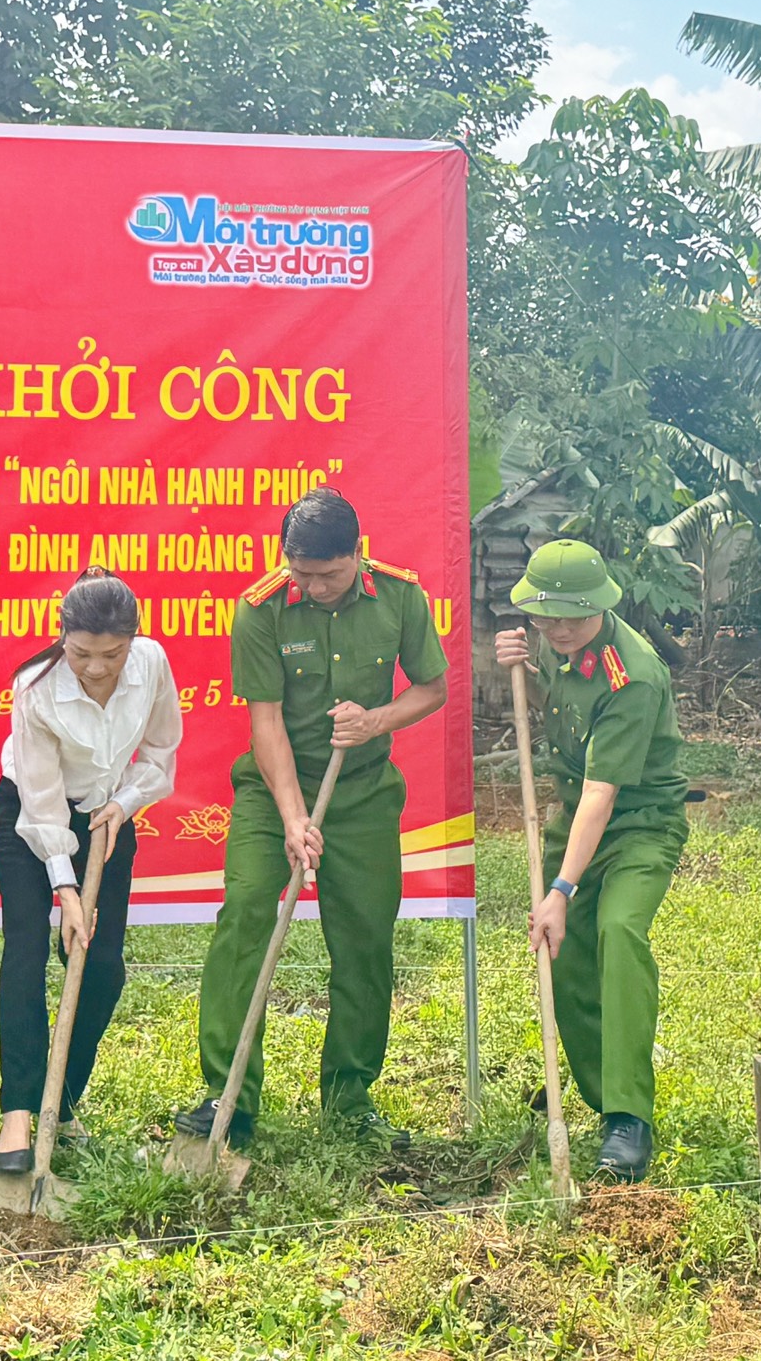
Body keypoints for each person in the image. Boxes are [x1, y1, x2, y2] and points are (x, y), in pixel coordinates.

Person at [175, 488, 449, 1151]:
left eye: (328, 573)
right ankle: (229, 1094)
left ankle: (350, 1099)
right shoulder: (261, 609)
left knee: (364, 939)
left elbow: (432, 688)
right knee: (243, 912)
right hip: (273, 794)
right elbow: (264, 725)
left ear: (358, 554)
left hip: (363, 796)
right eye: (302, 572)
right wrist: (295, 819)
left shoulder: (402, 598)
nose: (315, 586)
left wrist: (376, 720)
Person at [492, 539, 690, 1183]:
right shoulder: (552, 644)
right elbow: (550, 722)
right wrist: (515, 665)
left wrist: (560, 888)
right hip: (571, 817)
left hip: (638, 825)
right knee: (566, 955)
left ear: (601, 606)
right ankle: (598, 1093)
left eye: (570, 619)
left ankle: (629, 1118)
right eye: (545, 619)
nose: (557, 630)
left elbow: (605, 795)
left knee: (618, 932)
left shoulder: (632, 677)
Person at [0, 571, 181, 1175]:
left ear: (133, 640)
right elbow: (41, 801)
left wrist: (126, 803)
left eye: (111, 654)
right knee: (26, 953)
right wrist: (65, 889)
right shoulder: (35, 687)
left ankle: (61, 1103)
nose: (96, 668)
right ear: (61, 638)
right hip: (29, 821)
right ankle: (19, 1112)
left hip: (108, 816)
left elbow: (160, 751)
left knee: (102, 967)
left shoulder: (151, 664)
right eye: (81, 654)